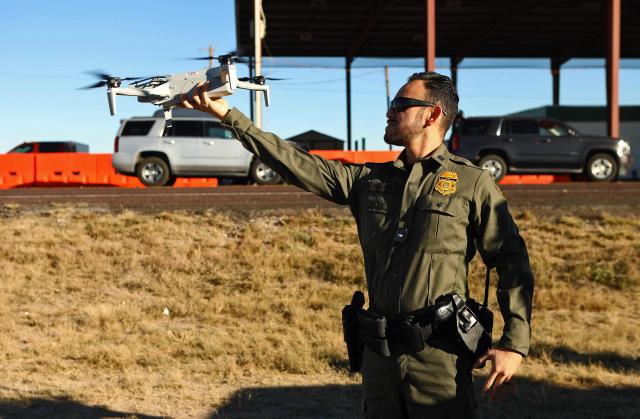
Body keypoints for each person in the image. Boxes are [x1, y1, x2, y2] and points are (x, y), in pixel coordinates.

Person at [179, 72, 534, 419]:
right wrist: (229, 116)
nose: (388, 111)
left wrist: (514, 344)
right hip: (379, 358)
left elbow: (511, 260)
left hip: (439, 359)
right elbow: (296, 162)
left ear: (432, 114)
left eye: (400, 104)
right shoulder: (368, 181)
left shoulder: (472, 184)